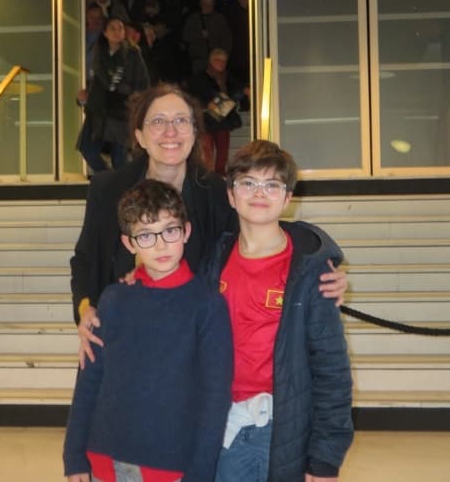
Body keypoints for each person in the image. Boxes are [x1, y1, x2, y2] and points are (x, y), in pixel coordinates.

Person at [71, 84, 348, 365]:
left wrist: (317, 262)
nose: (170, 131)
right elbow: (85, 260)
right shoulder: (107, 189)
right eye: (158, 121)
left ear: (194, 133)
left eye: (181, 121)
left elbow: (263, 229)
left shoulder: (217, 194)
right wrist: (85, 309)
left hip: (190, 348)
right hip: (119, 341)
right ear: (139, 136)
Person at [204, 140, 354, 482]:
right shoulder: (214, 260)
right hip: (217, 421)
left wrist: (325, 459)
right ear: (230, 195)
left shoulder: (310, 271)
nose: (260, 193)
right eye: (248, 183)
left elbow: (332, 369)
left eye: (272, 184)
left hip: (273, 426)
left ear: (288, 198)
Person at [63, 179, 233, 482]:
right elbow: (90, 380)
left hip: (171, 464)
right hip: (104, 459)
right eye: (145, 235)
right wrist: (74, 454)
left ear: (187, 231)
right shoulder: (113, 299)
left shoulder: (208, 305)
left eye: (170, 230)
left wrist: (202, 471)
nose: (160, 244)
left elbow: (215, 398)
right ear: (129, 243)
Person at [77, 16, 150, 173]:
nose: (117, 32)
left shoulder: (132, 53)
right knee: (87, 148)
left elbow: (142, 82)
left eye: (120, 28)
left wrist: (135, 102)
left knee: (120, 155)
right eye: (112, 28)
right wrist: (85, 96)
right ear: (104, 33)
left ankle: (119, 188)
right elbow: (96, 81)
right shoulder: (100, 54)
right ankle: (108, 178)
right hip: (98, 108)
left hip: (121, 109)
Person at [188, 48, 246, 175]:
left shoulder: (228, 77)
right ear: (210, 61)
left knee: (222, 152)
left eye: (224, 61)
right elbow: (194, 95)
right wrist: (208, 103)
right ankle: (206, 177)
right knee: (206, 151)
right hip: (206, 119)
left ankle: (219, 176)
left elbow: (238, 88)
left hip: (222, 119)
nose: (221, 63)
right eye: (217, 60)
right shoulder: (200, 77)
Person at [181, 0, 232, 76]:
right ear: (200, 4)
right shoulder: (193, 19)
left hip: (217, 60)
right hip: (199, 61)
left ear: (214, 4)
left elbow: (227, 39)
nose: (207, 7)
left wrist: (223, 56)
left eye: (210, 5)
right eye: (205, 4)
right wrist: (199, 35)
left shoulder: (220, 19)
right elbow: (185, 36)